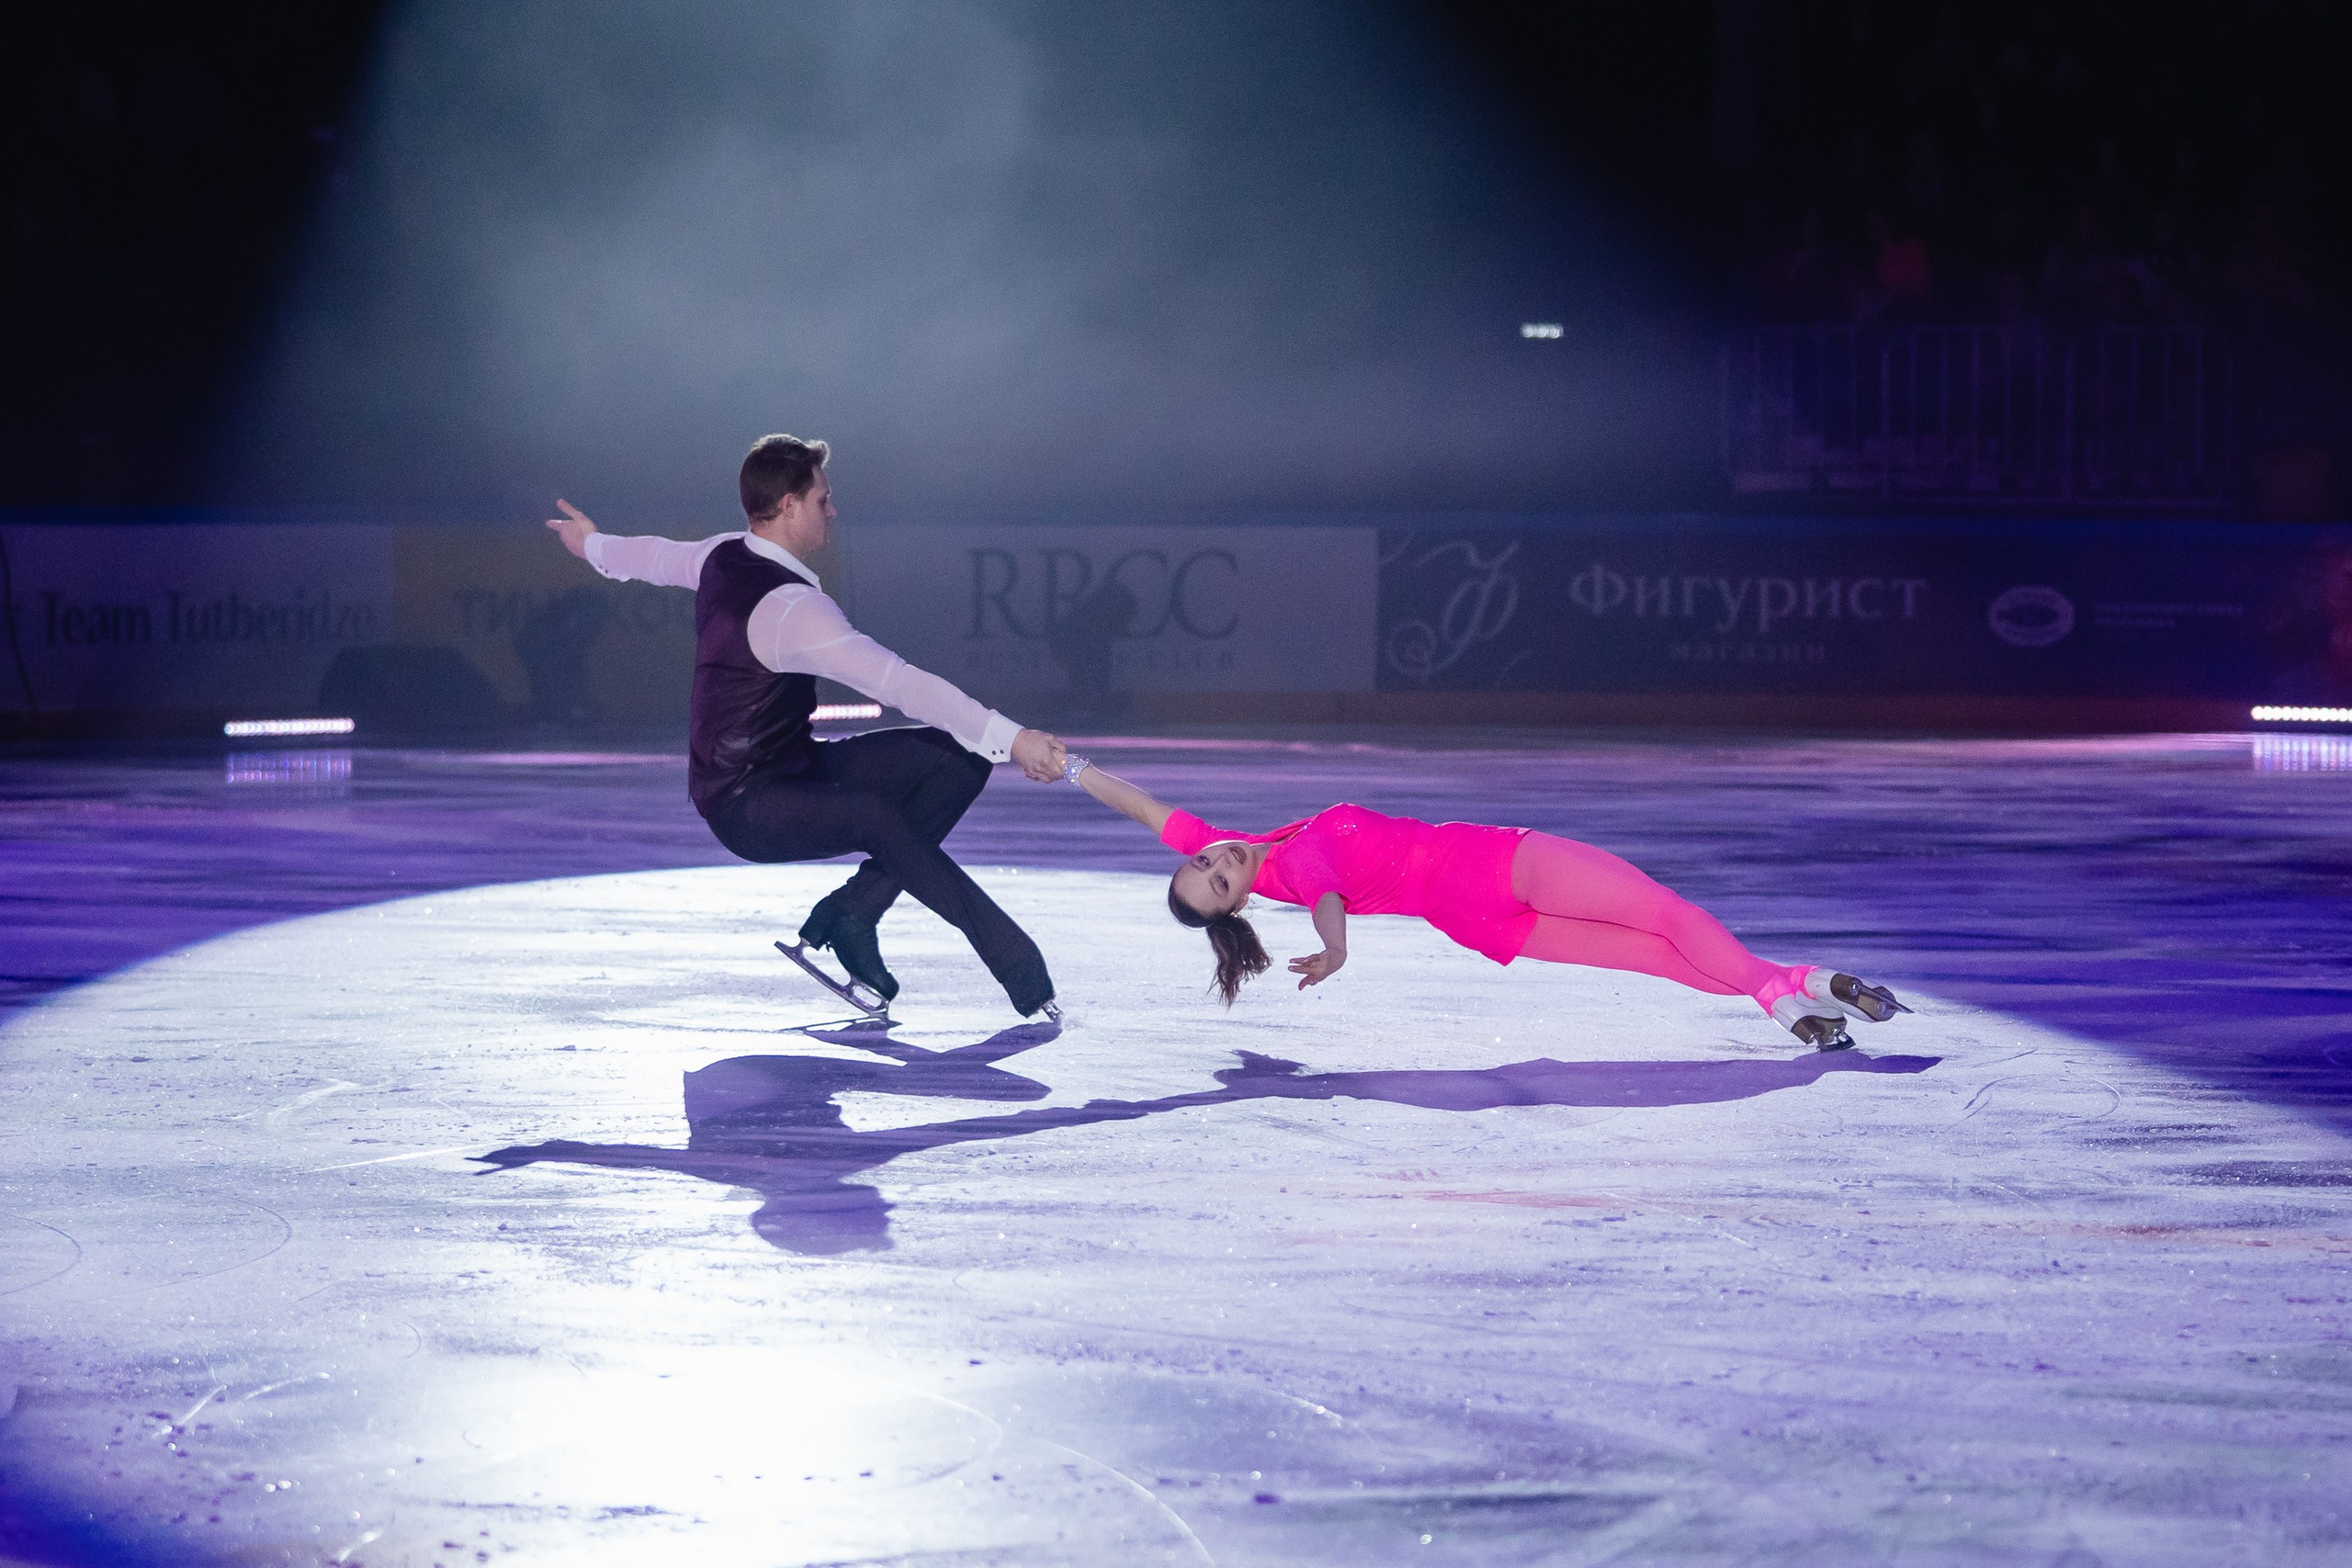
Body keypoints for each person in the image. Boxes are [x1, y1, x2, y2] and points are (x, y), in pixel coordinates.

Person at [546, 434, 1064, 1017]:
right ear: (788, 506)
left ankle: (853, 914)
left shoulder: (722, 554)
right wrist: (1017, 738)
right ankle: (1016, 961)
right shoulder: (794, 609)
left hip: (797, 766)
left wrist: (590, 544)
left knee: (963, 753)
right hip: (746, 804)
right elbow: (902, 685)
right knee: (878, 817)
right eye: (824, 499)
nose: (833, 511)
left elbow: (650, 557)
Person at [1058, 758, 1910, 1050]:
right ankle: (1792, 982)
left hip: (1473, 923)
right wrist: (1339, 944)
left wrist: (1064, 766)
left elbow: (1146, 810)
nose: (1215, 859)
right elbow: (1325, 893)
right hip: (1493, 867)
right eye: (1215, 880)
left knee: (1658, 956)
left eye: (1205, 858)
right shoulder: (1298, 867)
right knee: (1664, 914)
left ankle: (1794, 1007)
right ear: (1236, 903)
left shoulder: (1250, 853)